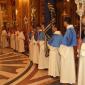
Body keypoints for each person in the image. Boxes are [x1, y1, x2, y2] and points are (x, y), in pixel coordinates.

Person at [59, 17, 77, 84]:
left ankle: (66, 79)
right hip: (69, 49)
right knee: (69, 65)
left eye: (64, 22)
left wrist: (62, 46)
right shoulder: (72, 29)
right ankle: (70, 79)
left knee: (66, 65)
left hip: (67, 49)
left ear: (66, 22)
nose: (63, 23)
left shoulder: (69, 30)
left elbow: (68, 41)